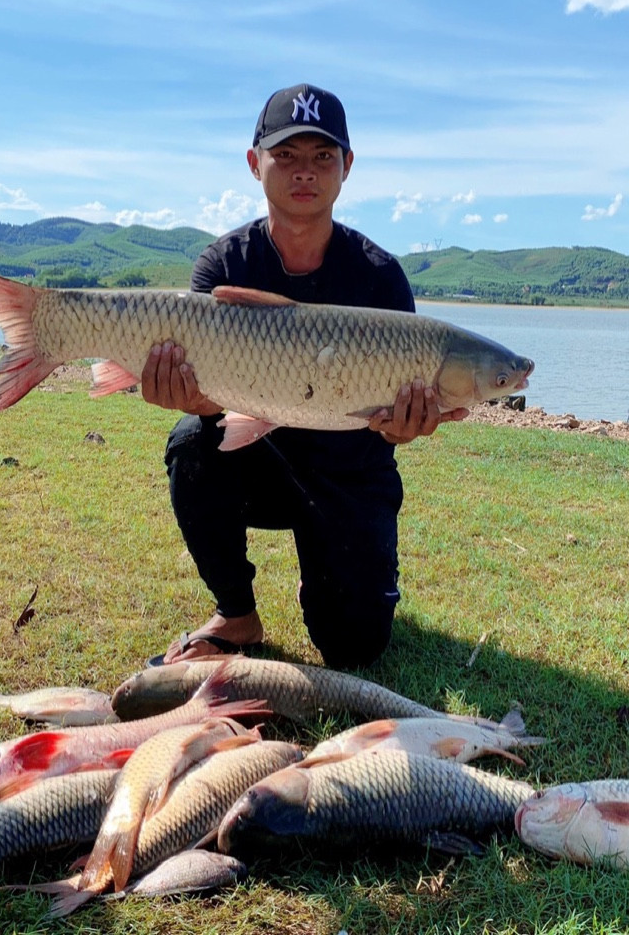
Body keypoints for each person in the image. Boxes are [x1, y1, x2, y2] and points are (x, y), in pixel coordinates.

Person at [141, 85, 467, 669]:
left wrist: (404, 427)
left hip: (349, 472)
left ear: (346, 167)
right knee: (192, 440)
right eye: (286, 155)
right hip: (257, 462)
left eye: (322, 157)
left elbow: (392, 424)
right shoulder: (223, 265)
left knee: (354, 647)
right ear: (254, 164)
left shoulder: (381, 278)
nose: (304, 173)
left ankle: (329, 573)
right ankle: (236, 614)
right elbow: (210, 402)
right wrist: (193, 399)